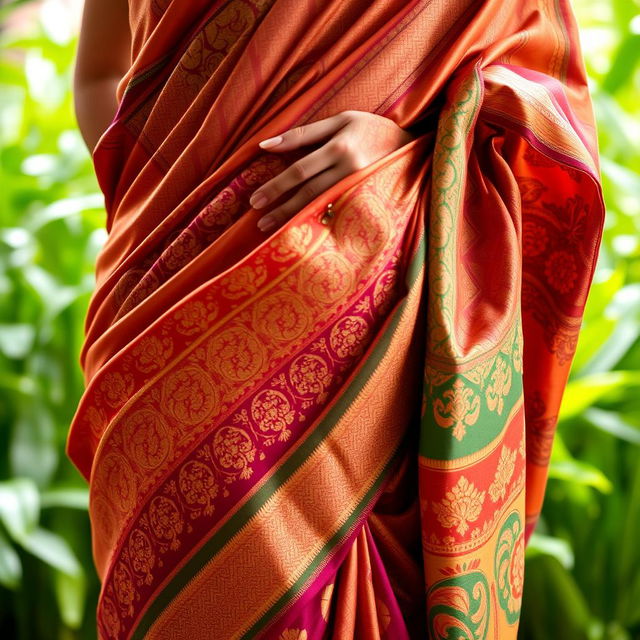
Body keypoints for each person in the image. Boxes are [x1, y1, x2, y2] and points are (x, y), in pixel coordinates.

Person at [67, 0, 605, 638]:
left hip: (380, 330)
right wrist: (178, 207)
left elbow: (540, 94)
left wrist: (413, 147)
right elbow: (99, 74)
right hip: (166, 325)